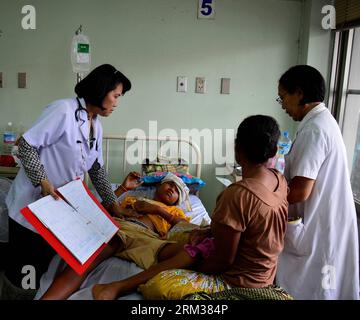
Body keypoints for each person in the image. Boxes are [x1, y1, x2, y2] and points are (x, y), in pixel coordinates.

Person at [92, 115, 290, 300]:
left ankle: (120, 285)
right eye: (167, 184)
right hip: (263, 274)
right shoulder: (279, 181)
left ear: (237, 150)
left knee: (159, 284)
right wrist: (208, 232)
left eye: (176, 188)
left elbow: (223, 261)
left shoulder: (238, 194)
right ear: (274, 151)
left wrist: (190, 260)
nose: (170, 189)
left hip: (237, 282)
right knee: (186, 234)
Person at [4, 64, 139, 289]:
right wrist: (43, 182)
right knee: (23, 272)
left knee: (44, 271)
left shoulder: (96, 124)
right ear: (101, 89)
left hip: (59, 208)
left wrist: (114, 205)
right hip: (32, 204)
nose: (117, 102)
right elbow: (26, 145)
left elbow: (96, 168)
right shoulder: (63, 110)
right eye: (115, 95)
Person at [275, 65, 359, 300]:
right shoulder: (321, 122)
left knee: (315, 288)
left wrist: (263, 198)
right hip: (325, 221)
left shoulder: (315, 129)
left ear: (299, 93)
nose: (282, 105)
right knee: (323, 286)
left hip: (320, 226)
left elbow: (300, 191)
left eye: (283, 98)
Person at [38, 172, 192, 300]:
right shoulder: (132, 200)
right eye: (170, 184)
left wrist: (156, 210)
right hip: (118, 226)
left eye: (177, 191)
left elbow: (184, 227)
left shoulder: (173, 212)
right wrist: (123, 188)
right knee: (94, 253)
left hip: (145, 235)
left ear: (178, 201)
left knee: (181, 252)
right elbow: (103, 208)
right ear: (159, 185)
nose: (172, 189)